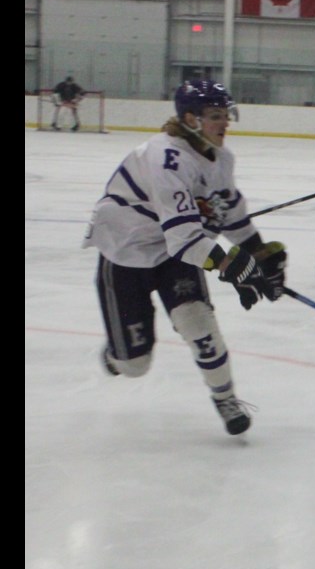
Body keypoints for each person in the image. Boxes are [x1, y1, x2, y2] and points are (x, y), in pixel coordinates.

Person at [81, 79, 287, 436]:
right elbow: (185, 238)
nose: (225, 123)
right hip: (126, 253)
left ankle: (225, 398)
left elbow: (230, 212)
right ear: (191, 120)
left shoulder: (220, 158)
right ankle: (118, 355)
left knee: (198, 322)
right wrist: (234, 267)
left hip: (174, 253)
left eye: (226, 114)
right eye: (215, 116)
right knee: (135, 367)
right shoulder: (167, 158)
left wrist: (258, 254)